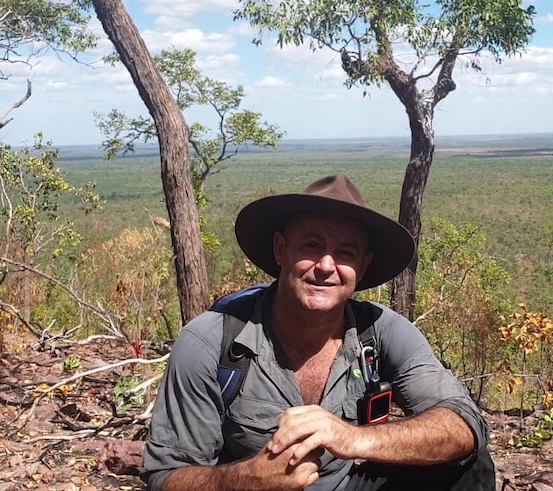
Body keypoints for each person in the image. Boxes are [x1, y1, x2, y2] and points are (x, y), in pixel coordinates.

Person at [142, 174, 496, 491]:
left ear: (363, 265)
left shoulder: (382, 332)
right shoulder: (211, 343)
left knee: (468, 466)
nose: (326, 266)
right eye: (311, 245)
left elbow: (463, 424)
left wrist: (352, 438)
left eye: (345, 253)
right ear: (281, 249)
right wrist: (248, 479)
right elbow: (165, 477)